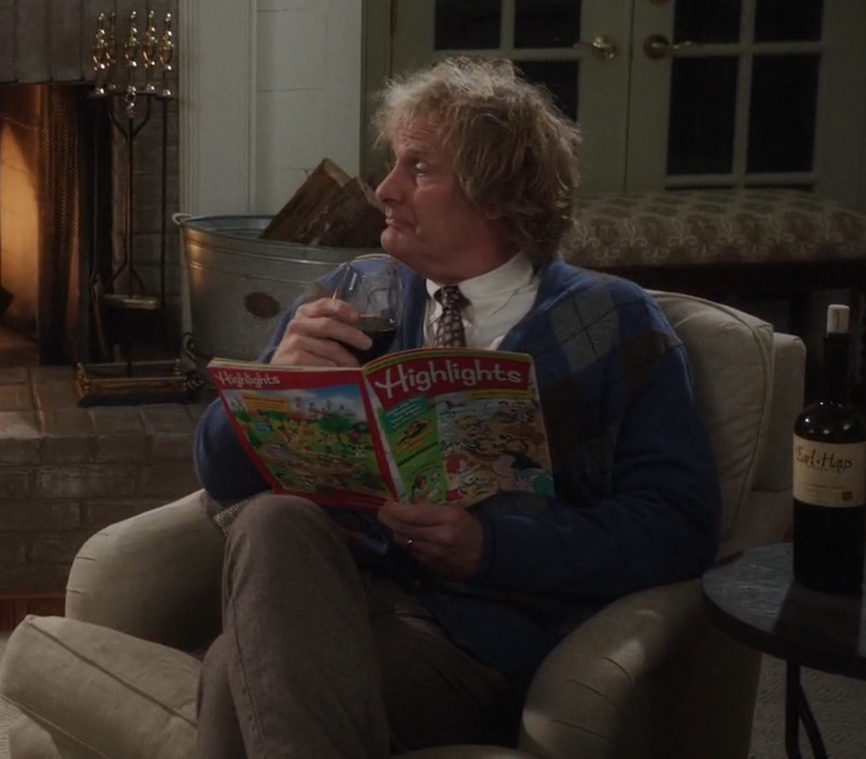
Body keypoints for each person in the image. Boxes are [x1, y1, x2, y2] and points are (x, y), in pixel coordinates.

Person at [191, 57, 721, 758]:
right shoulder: (355, 292)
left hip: (474, 637)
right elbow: (219, 474)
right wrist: (277, 381)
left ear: (496, 193)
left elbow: (678, 528)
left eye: (418, 169)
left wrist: (491, 548)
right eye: (392, 164)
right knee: (270, 519)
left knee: (233, 680)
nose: (384, 189)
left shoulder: (611, 322)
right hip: (330, 590)